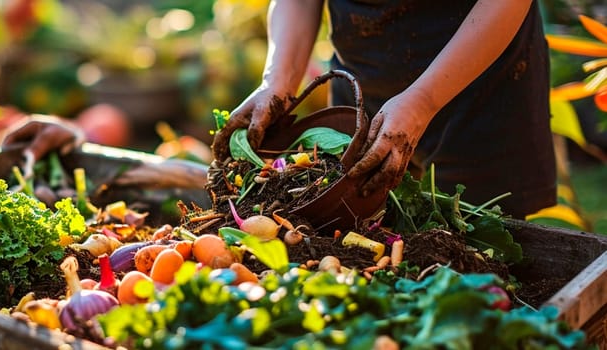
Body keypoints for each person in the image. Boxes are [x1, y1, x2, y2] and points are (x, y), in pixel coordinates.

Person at [211, 0, 557, 218]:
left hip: (477, 78)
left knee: (482, 249)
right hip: (364, 79)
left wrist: (423, 100)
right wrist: (278, 82)